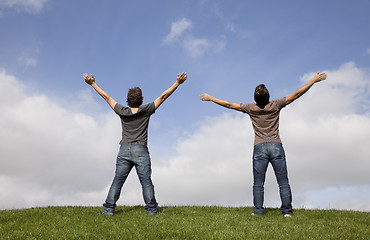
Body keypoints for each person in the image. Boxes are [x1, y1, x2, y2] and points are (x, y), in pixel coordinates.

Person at [199, 71, 327, 217]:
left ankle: (258, 212)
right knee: (283, 181)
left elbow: (228, 105)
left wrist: (211, 98)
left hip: (259, 147)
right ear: (268, 96)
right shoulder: (276, 105)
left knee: (258, 183)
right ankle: (287, 212)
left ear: (255, 98)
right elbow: (297, 94)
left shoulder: (250, 108)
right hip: (276, 145)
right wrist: (313, 80)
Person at [83, 72, 188, 216]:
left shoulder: (122, 111)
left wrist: (93, 83)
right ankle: (152, 211)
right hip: (141, 149)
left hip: (124, 149)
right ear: (141, 99)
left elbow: (106, 97)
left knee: (117, 181)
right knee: (146, 181)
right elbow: (163, 96)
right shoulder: (146, 110)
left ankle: (108, 210)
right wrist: (177, 83)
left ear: (128, 100)